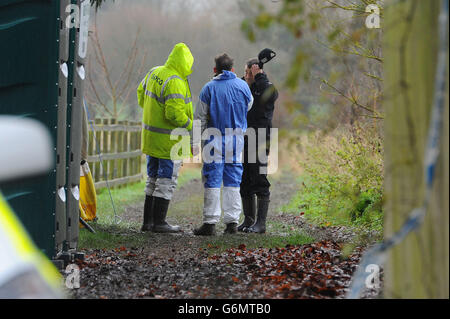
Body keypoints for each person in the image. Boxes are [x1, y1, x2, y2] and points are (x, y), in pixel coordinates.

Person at [137, 43, 194, 233]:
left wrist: (151, 112)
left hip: (151, 139)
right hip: (168, 142)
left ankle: (148, 223)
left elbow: (140, 95)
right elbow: (174, 114)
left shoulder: (154, 72)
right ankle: (159, 222)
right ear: (185, 62)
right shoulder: (176, 81)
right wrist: (191, 125)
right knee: (166, 180)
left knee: (152, 178)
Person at [193, 53, 253, 236]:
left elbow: (199, 118)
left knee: (212, 180)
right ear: (233, 70)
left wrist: (195, 142)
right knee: (233, 181)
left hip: (214, 140)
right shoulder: (243, 86)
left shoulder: (208, 88)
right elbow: (249, 105)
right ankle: (232, 223)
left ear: (215, 69)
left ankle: (210, 223)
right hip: (236, 140)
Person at [239, 59, 278, 234]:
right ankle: (248, 220)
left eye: (251, 73)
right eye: (246, 72)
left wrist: (259, 76)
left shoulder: (265, 86)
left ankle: (260, 223)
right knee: (244, 179)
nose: (248, 76)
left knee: (259, 179)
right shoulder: (242, 85)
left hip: (261, 139)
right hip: (244, 138)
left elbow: (271, 94)